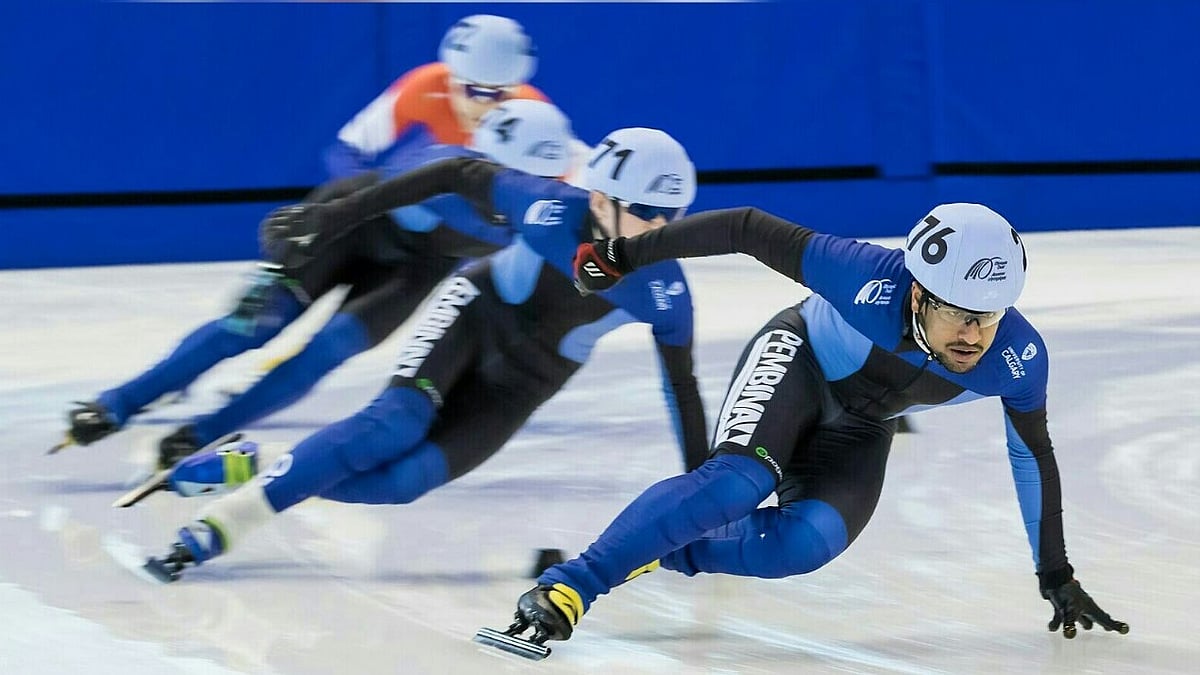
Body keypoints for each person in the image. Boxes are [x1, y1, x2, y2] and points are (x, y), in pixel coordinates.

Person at [493, 203, 1128, 650]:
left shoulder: (1019, 361)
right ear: (917, 295)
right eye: (960, 316)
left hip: (863, 423)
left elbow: (1032, 457)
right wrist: (624, 254)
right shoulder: (864, 276)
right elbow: (745, 228)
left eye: (991, 317)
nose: (976, 338)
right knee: (734, 486)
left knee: (804, 545)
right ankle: (570, 586)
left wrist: (1056, 574)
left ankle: (654, 546)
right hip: (798, 360)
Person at [142, 127, 710, 581]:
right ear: (599, 199)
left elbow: (681, 390)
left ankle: (260, 462)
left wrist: (703, 496)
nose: (659, 228)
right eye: (644, 210)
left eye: (672, 214)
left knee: (402, 481)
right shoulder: (546, 207)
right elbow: (454, 172)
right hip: (474, 313)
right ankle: (220, 527)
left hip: (526, 382)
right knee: (390, 425)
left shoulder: (667, 292)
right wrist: (331, 216)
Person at [57, 99, 576, 469]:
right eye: (487, 167)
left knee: (324, 352)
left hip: (412, 272)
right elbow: (359, 195)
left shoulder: (552, 211)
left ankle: (204, 431)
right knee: (248, 326)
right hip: (349, 231)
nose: (493, 183)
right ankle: (118, 402)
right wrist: (305, 227)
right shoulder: (449, 170)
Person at [325, 14, 544, 178]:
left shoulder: (533, 110)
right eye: (472, 90)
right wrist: (371, 206)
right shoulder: (424, 87)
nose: (483, 103)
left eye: (497, 94)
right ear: (450, 79)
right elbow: (344, 152)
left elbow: (570, 185)